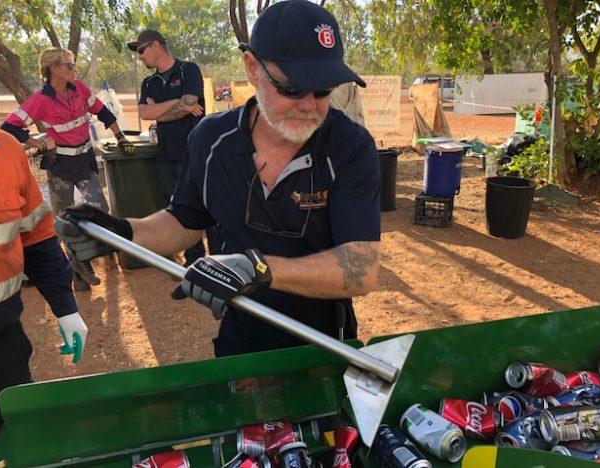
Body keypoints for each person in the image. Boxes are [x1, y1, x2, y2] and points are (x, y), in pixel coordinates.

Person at [57, 0, 381, 357]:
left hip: (325, 344)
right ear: (252, 68)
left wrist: (258, 269)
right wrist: (122, 234)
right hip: (239, 337)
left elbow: (360, 266)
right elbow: (185, 220)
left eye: (323, 90)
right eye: (292, 88)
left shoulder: (350, 146)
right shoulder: (212, 139)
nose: (309, 104)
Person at [0, 47, 134, 292]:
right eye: (69, 64)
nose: (74, 68)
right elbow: (10, 126)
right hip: (59, 165)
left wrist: (121, 136)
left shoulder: (80, 89)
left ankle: (95, 255)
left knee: (100, 209)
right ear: (54, 69)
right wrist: (37, 144)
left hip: (83, 162)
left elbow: (102, 111)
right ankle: (79, 269)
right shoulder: (40, 99)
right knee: (64, 219)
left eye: (73, 64)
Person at [0, 129, 88, 432]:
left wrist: (66, 308)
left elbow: (36, 237)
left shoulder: (6, 149)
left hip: (3, 337)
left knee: (16, 431)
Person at [127, 29, 207, 300]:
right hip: (168, 155)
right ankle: (194, 267)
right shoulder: (149, 83)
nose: (139, 57)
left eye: (141, 50)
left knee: (212, 207)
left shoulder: (188, 70)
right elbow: (145, 112)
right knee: (182, 210)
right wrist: (175, 103)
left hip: (196, 151)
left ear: (156, 45)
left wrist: (163, 110)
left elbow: (191, 103)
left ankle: (221, 266)